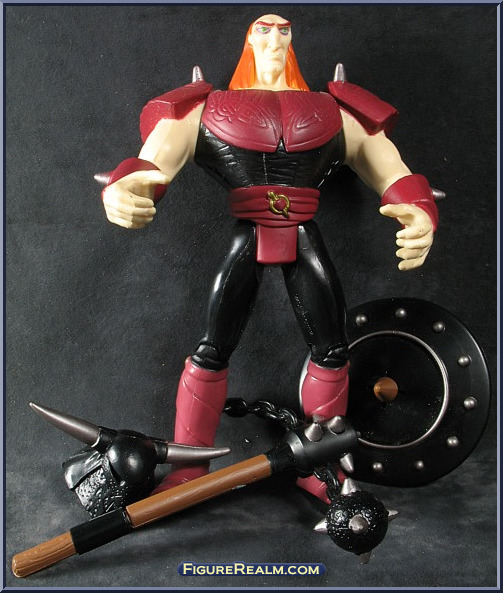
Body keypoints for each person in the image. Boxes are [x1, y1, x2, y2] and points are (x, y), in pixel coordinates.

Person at [100, 14, 438, 501]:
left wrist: (419, 211)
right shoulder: (203, 108)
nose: (275, 37)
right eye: (264, 29)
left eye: (284, 30)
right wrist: (122, 190)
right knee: (213, 348)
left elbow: (391, 168)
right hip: (249, 231)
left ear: (293, 40)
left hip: (303, 232)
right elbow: (152, 165)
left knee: (332, 349)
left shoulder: (335, 110)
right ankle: (189, 467)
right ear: (249, 41)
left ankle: (319, 465)